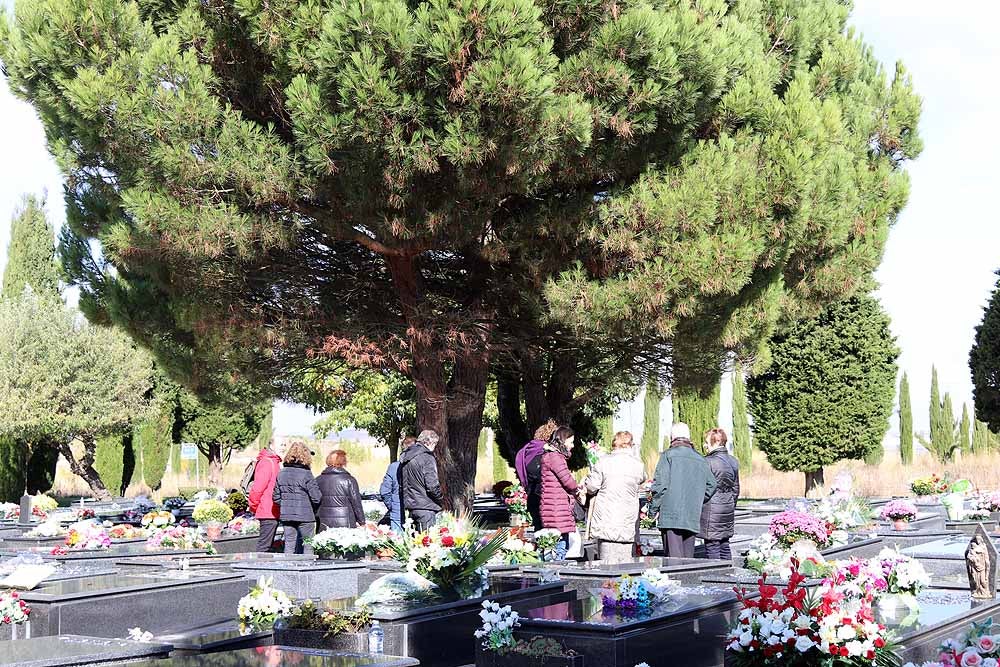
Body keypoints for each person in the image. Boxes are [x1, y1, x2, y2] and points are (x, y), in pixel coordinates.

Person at [650, 423, 717, 558]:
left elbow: (660, 486)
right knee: (687, 561)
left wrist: (653, 510)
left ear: (672, 438)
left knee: (673, 561)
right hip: (691, 514)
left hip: (670, 516)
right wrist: (697, 498)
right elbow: (712, 485)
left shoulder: (668, 456)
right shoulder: (700, 459)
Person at [583, 431, 646, 564]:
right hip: (628, 524)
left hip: (607, 522)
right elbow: (643, 479)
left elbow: (591, 486)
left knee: (607, 569)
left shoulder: (603, 462)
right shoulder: (638, 465)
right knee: (626, 570)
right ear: (630, 445)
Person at [272, 440, 322, 554]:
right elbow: (317, 497)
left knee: (289, 545)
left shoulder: (282, 473)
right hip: (306, 516)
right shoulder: (306, 474)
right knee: (308, 544)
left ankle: (287, 570)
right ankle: (307, 569)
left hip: (287, 515)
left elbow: (275, 496)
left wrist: (286, 505)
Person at [699, 428, 740, 560]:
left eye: (707, 442)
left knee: (712, 545)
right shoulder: (733, 461)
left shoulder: (707, 462)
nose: (705, 445)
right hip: (727, 507)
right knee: (724, 544)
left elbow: (703, 488)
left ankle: (715, 577)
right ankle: (728, 575)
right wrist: (730, 504)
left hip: (711, 509)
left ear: (715, 442)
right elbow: (736, 489)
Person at [540, 426, 580, 550]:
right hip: (556, 507)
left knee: (557, 544)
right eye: (571, 442)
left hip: (553, 507)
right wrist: (578, 487)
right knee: (560, 547)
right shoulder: (555, 457)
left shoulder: (552, 456)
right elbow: (568, 482)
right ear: (563, 440)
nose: (572, 446)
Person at [515, 420, 558, 530]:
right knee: (549, 533)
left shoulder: (528, 451)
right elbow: (537, 473)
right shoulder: (544, 453)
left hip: (531, 495)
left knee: (538, 529)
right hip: (544, 496)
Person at [398, 429, 443, 531]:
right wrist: (441, 498)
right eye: (435, 444)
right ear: (429, 442)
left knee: (414, 544)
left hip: (410, 507)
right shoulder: (427, 457)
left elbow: (402, 482)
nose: (434, 447)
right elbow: (432, 485)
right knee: (427, 543)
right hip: (426, 508)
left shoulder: (406, 457)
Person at [248, 437, 286, 552]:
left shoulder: (275, 462)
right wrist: (254, 506)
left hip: (273, 510)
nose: (283, 447)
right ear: (272, 445)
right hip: (267, 510)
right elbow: (258, 488)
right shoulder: (267, 462)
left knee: (268, 546)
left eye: (284, 445)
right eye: (281, 444)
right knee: (264, 546)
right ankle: (257, 568)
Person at [316, 449, 366, 530]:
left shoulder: (318, 480)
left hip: (323, 523)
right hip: (345, 524)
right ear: (343, 462)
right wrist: (362, 522)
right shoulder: (349, 480)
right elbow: (356, 503)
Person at [379, 436, 414, 533]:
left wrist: (393, 506)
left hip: (397, 512)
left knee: (398, 545)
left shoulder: (393, 467)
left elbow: (384, 491)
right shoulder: (420, 466)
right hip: (415, 510)